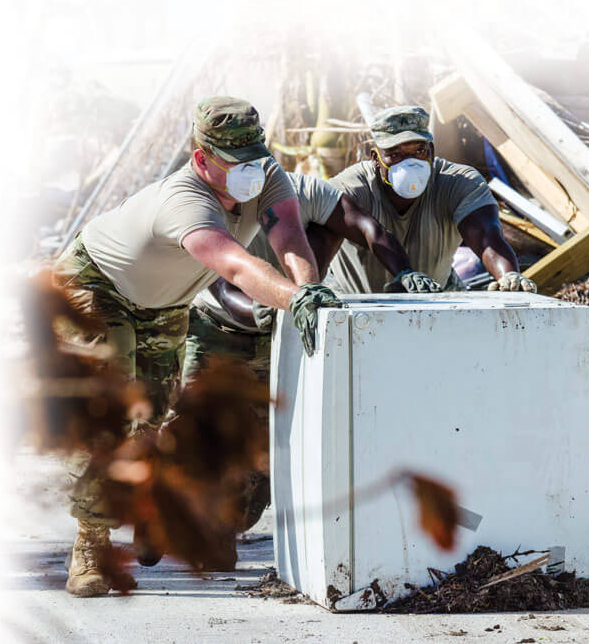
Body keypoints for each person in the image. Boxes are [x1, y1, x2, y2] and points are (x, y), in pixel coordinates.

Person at [52, 96, 340, 597]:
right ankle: (91, 545)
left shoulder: (265, 173)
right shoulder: (186, 200)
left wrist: (308, 289)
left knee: (155, 418)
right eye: (234, 162)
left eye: (254, 156)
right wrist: (293, 300)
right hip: (94, 285)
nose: (250, 171)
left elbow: (289, 234)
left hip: (163, 305)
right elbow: (233, 265)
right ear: (201, 157)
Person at [180, 171, 438, 533]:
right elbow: (222, 282)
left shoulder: (308, 191)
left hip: (281, 327)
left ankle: (224, 526)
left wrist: (404, 270)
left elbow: (367, 226)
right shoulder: (215, 200)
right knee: (192, 430)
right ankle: (171, 515)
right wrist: (268, 307)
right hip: (217, 326)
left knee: (261, 451)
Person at [306, 105, 538, 295]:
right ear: (376, 158)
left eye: (419, 151)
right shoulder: (351, 188)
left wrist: (507, 275)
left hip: (438, 293)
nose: (410, 163)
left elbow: (487, 237)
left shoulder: (459, 183)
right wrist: (308, 289)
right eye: (395, 154)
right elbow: (322, 243)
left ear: (432, 151)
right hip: (356, 297)